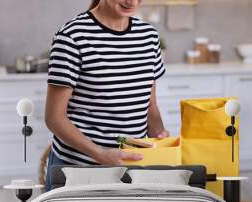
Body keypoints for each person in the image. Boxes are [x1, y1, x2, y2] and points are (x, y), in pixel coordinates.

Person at [44, 0, 168, 191]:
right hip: (78, 171)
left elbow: (149, 106)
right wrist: (100, 154)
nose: (132, 2)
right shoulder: (72, 36)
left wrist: (161, 139)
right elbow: (54, 118)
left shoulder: (148, 36)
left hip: (132, 170)